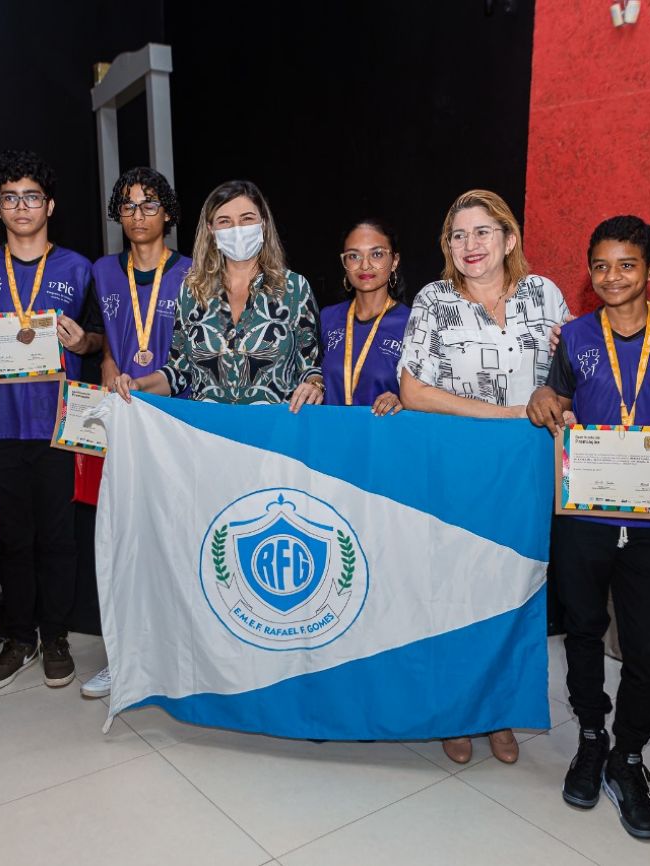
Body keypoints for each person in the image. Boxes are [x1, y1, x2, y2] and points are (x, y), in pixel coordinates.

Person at [529, 216, 650, 840]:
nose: (612, 277)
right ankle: (590, 737)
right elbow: (553, 401)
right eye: (600, 266)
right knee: (581, 631)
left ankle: (628, 756)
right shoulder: (577, 335)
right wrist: (544, 402)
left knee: (648, 647)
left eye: (626, 265)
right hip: (584, 515)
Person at [397, 188, 571, 765]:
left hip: (528, 470)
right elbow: (413, 390)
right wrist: (509, 415)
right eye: (458, 235)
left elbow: (575, 375)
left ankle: (500, 710)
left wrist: (566, 377)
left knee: (515, 591)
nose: (470, 245)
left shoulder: (545, 295)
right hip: (457, 465)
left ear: (509, 238)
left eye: (482, 232)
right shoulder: (434, 301)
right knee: (453, 590)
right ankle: (456, 711)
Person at [0, 150, 104, 692]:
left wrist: (84, 341)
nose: (22, 207)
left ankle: (57, 636)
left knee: (59, 537)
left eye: (32, 197)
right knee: (13, 539)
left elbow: (100, 339)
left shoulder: (80, 268)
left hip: (58, 425)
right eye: (11, 198)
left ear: (50, 206)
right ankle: (20, 638)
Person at [80, 166, 191, 699]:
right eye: (128, 205)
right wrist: (105, 356)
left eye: (149, 204)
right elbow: (105, 334)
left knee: (175, 539)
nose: (138, 215)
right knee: (123, 541)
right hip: (123, 421)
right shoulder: (103, 270)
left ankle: (179, 656)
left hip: (175, 423)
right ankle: (122, 657)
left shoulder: (192, 271)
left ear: (167, 213)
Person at [111, 179, 323, 409]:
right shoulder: (192, 290)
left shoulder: (294, 288)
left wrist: (314, 385)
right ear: (211, 229)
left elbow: (310, 368)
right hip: (205, 428)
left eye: (247, 219)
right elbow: (179, 371)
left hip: (272, 427)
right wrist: (138, 385)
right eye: (225, 221)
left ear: (263, 223)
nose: (237, 229)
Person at [320, 219, 410, 415]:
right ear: (344, 263)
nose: (365, 265)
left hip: (383, 432)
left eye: (376, 254)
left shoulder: (412, 324)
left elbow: (427, 391)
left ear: (394, 261)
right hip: (328, 432)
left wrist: (404, 401)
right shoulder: (327, 318)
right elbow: (309, 373)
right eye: (354, 256)